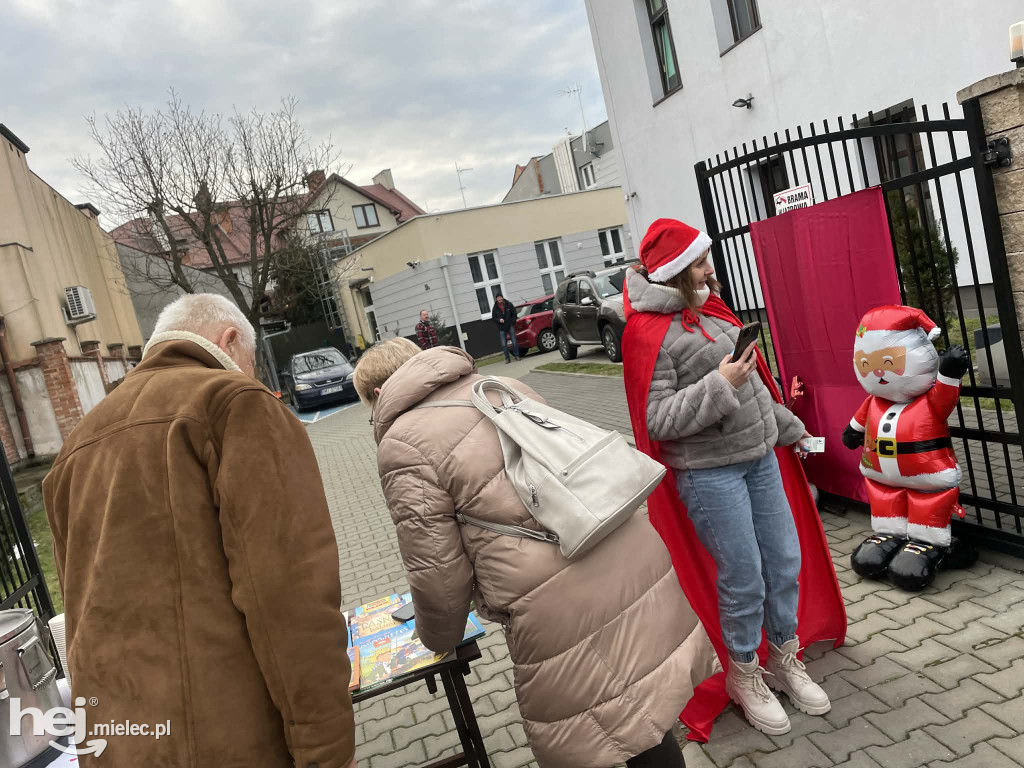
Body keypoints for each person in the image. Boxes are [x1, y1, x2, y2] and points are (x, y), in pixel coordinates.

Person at [354, 337, 717, 768]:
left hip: (558, 602)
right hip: (624, 550)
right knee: (641, 717)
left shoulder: (401, 443)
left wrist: (439, 638)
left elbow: (436, 569)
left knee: (587, 734)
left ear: (378, 395)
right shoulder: (501, 384)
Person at [43, 294, 356, 768]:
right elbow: (289, 597)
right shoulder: (232, 401)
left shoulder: (74, 449)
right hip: (230, 740)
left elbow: (80, 614)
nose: (250, 376)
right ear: (230, 341)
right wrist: (328, 748)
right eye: (249, 365)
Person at [621, 218, 844, 738]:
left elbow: (756, 388)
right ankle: (745, 674)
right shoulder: (645, 332)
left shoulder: (713, 310)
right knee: (743, 577)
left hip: (760, 458)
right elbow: (656, 421)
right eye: (699, 261)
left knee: (785, 561)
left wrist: (793, 430)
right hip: (707, 474)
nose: (709, 268)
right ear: (676, 271)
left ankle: (786, 657)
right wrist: (719, 384)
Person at [491, 293, 520, 363]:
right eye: (498, 298)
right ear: (496, 299)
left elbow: (514, 314)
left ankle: (517, 355)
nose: (499, 299)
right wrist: (499, 320)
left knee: (514, 342)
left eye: (500, 297)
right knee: (504, 344)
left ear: (502, 297)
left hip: (510, 325)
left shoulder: (509, 304)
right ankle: (507, 358)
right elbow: (494, 318)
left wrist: (512, 322)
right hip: (501, 327)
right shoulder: (495, 307)